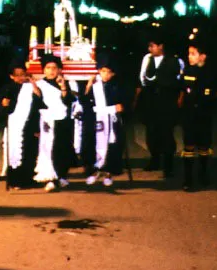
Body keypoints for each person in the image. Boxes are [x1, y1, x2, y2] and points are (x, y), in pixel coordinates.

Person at [135, 32, 180, 178]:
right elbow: (142, 78)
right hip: (151, 103)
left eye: (153, 46)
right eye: (149, 46)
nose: (150, 49)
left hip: (166, 103)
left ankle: (168, 165)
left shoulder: (173, 60)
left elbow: (178, 81)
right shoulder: (147, 59)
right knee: (152, 133)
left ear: (161, 46)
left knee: (166, 134)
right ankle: (154, 159)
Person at [179, 39, 217, 191]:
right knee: (188, 146)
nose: (189, 57)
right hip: (189, 115)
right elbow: (183, 90)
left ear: (203, 56)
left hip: (204, 115)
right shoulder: (187, 71)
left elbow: (215, 93)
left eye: (193, 54)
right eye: (189, 54)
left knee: (204, 146)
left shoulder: (211, 73)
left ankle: (203, 173)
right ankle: (188, 179)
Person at [80, 55, 125, 187]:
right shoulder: (95, 86)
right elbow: (85, 102)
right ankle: (94, 171)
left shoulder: (116, 86)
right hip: (96, 120)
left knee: (111, 146)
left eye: (109, 72)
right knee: (94, 144)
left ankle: (108, 172)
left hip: (111, 121)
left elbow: (122, 103)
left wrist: (120, 107)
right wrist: (88, 86)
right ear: (99, 71)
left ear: (113, 73)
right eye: (103, 71)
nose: (106, 75)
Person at [0, 60, 42, 190]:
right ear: (12, 76)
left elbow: (38, 103)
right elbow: (0, 109)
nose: (21, 78)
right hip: (14, 125)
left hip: (29, 123)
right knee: (15, 153)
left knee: (29, 151)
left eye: (23, 74)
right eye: (18, 75)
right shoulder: (7, 88)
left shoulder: (31, 86)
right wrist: (3, 105)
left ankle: (28, 179)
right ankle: (15, 180)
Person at [34, 54, 76, 192]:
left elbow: (69, 101)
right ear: (43, 70)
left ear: (59, 69)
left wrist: (63, 87)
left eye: (54, 68)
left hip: (63, 120)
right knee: (48, 149)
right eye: (48, 68)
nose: (51, 71)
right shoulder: (39, 85)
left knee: (63, 149)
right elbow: (36, 104)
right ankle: (51, 178)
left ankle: (62, 176)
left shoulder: (67, 83)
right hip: (47, 121)